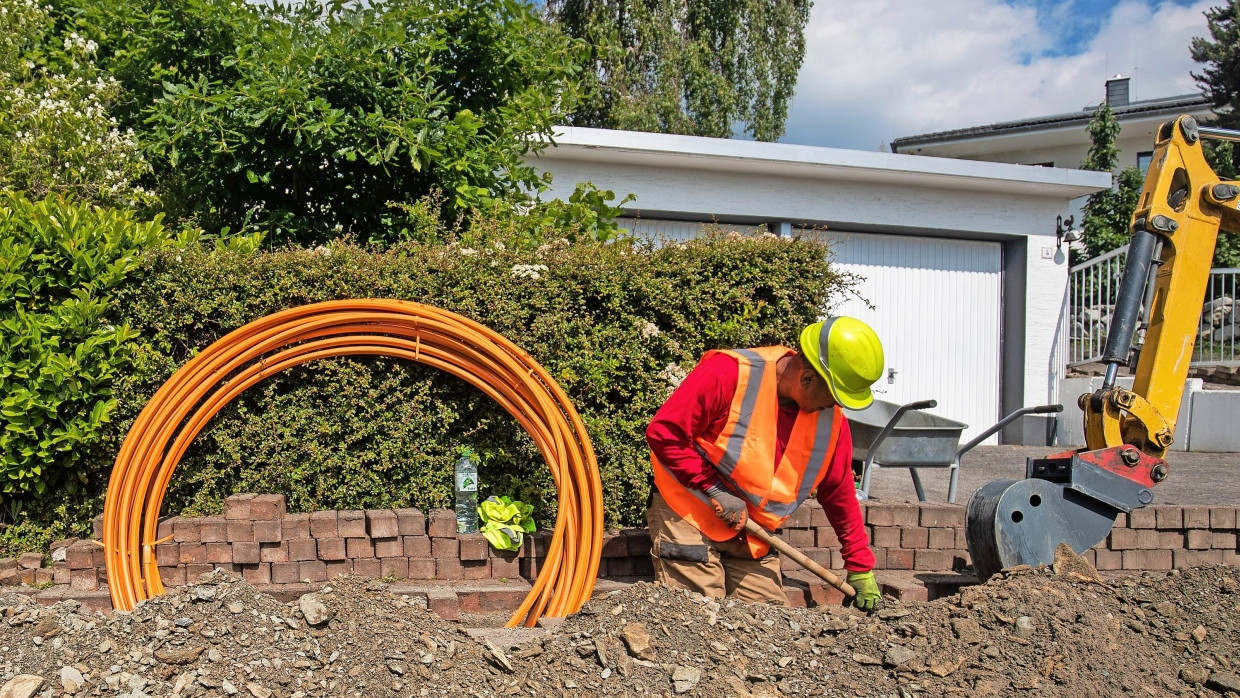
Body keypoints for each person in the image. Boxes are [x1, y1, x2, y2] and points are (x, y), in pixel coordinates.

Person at [645, 316, 883, 611]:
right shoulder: (729, 373)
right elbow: (665, 433)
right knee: (698, 614)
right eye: (833, 397)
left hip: (750, 533)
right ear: (807, 378)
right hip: (689, 511)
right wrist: (714, 488)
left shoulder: (832, 425)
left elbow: (839, 493)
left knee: (771, 623)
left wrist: (860, 564)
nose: (834, 407)